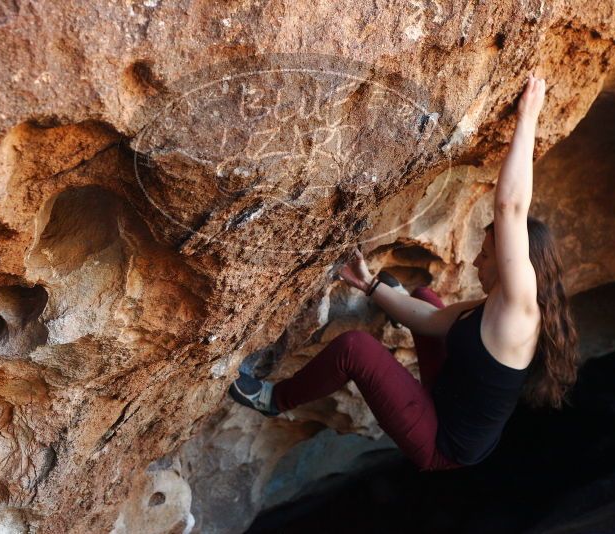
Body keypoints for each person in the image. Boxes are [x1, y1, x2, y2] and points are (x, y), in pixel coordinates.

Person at [229, 73, 579, 472]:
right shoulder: (497, 305)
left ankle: (274, 400)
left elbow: (510, 208)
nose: (477, 262)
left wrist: (528, 117)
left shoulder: (519, 313)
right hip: (446, 391)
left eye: (485, 255)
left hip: (441, 443)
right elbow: (430, 319)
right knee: (428, 301)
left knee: (355, 350)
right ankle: (389, 298)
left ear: (511, 261)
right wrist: (370, 285)